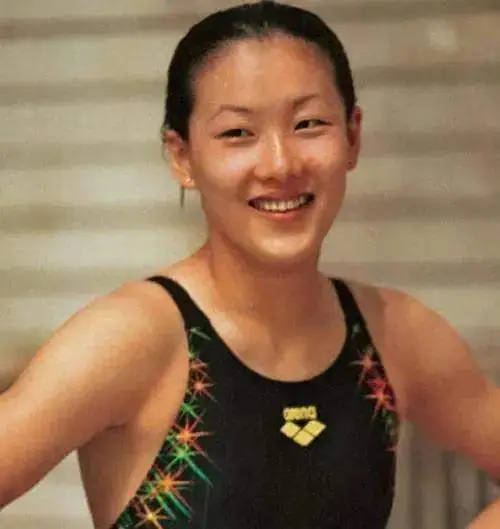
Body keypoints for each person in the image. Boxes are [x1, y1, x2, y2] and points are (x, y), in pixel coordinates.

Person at [1, 1, 499, 528]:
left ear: (353, 136)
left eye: (308, 124)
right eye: (238, 133)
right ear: (182, 156)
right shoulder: (132, 339)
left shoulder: (394, 334)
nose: (280, 164)